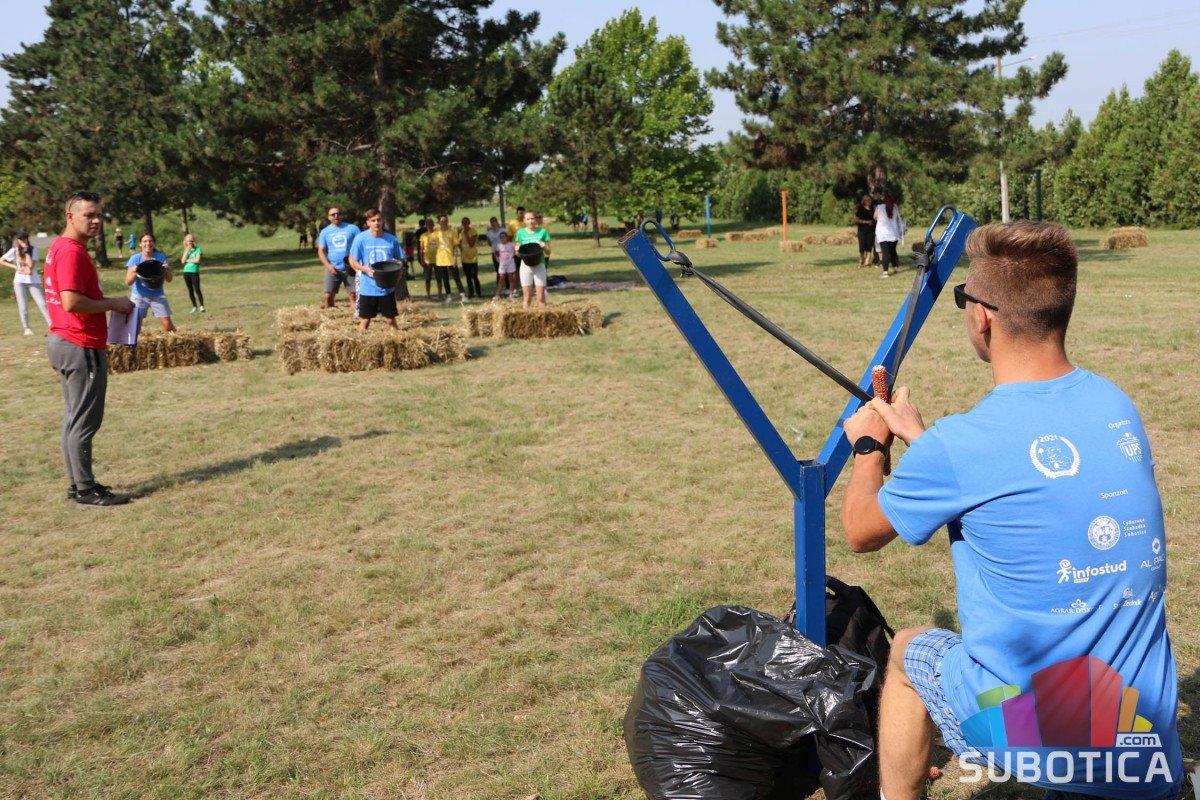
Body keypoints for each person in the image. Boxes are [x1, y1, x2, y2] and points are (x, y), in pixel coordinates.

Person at [840, 221, 1182, 800]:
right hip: (1143, 738)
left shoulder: (963, 445)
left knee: (906, 656)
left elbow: (860, 531)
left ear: (983, 317)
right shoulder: (1115, 405)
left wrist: (871, 446)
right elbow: (1023, 480)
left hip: (1048, 733)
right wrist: (925, 443)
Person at [44, 192, 135, 507]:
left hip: (62, 341)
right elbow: (71, 301)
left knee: (73, 418)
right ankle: (85, 490)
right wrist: (114, 304)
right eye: (89, 215)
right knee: (84, 421)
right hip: (79, 343)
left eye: (99, 215)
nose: (96, 221)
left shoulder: (61, 246)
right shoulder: (71, 252)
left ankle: (78, 485)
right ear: (70, 216)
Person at [347, 208, 404, 331]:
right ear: (368, 223)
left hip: (386, 288)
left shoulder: (391, 239)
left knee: (391, 320)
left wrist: (395, 270)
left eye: (378, 220)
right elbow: (353, 261)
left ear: (382, 221)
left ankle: (397, 339)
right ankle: (360, 340)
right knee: (365, 321)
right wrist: (364, 269)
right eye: (373, 220)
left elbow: (400, 260)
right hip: (367, 287)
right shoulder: (360, 239)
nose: (376, 223)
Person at [2, 232, 51, 335]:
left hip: (33, 281)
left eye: (24, 239)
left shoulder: (34, 250)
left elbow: (30, 266)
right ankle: (26, 328)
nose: (22, 241)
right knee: (23, 306)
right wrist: (15, 267)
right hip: (19, 281)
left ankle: (51, 325)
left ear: (27, 239)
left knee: (42, 303)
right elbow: (2, 260)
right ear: (18, 240)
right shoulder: (14, 250)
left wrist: (26, 251)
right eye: (20, 239)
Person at [125, 232, 176, 332]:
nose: (148, 243)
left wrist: (168, 270)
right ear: (140, 244)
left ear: (154, 243)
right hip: (139, 296)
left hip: (157, 295)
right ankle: (133, 343)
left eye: (150, 241)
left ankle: (177, 341)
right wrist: (134, 271)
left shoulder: (160, 257)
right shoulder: (135, 259)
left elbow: (169, 279)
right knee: (135, 328)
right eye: (145, 241)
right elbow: (128, 282)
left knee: (168, 327)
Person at [317, 207, 360, 310]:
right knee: (328, 296)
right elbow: (321, 250)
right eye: (333, 214)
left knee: (353, 295)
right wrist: (328, 266)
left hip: (350, 266)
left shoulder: (353, 228)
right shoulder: (325, 232)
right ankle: (329, 313)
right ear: (329, 217)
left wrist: (356, 263)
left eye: (338, 214)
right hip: (333, 267)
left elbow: (360, 245)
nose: (336, 216)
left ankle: (356, 314)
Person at [515, 210, 551, 309]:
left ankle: (543, 317)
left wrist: (545, 247)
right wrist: (517, 251)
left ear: (536, 220)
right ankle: (525, 317)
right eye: (528, 219)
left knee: (541, 298)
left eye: (532, 219)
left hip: (539, 265)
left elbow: (548, 252)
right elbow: (518, 253)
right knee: (527, 298)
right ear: (524, 220)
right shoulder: (520, 233)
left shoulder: (543, 232)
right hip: (526, 267)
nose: (530, 221)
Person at [433, 215, 466, 305]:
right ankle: (449, 296)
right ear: (439, 222)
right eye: (441, 221)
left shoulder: (452, 232)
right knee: (445, 279)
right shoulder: (436, 233)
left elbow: (455, 247)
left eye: (445, 221)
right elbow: (430, 242)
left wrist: (455, 259)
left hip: (450, 259)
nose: (443, 222)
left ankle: (463, 296)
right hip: (440, 260)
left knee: (456, 278)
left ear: (447, 222)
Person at [874, 191, 901, 278]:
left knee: (885, 252)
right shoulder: (895, 207)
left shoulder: (879, 207)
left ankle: (885, 272)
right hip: (894, 233)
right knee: (893, 251)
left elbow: (874, 217)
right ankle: (895, 267)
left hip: (883, 233)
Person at [180, 233, 205, 313]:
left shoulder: (198, 249)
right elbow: (182, 261)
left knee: (197, 289)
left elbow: (197, 260)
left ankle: (202, 306)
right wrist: (187, 251)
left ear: (193, 241)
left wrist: (187, 260)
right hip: (186, 272)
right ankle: (194, 307)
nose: (190, 242)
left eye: (191, 240)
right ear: (185, 242)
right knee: (190, 290)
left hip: (194, 272)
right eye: (188, 241)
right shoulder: (185, 250)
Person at [458, 216, 482, 300]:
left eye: (466, 222)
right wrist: (461, 249)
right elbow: (459, 242)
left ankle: (478, 293)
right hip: (464, 258)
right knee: (468, 277)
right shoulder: (461, 233)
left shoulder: (473, 232)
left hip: (473, 258)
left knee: (474, 276)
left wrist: (466, 234)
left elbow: (471, 244)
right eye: (463, 223)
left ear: (469, 223)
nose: (464, 224)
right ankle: (471, 293)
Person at [419, 218, 441, 300]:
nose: (430, 226)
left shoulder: (438, 234)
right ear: (426, 225)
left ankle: (440, 294)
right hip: (427, 260)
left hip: (438, 260)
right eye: (428, 224)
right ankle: (428, 295)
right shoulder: (423, 236)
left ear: (433, 225)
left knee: (439, 278)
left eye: (431, 224)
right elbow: (421, 249)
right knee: (427, 279)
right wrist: (422, 259)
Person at [494, 231, 517, 300]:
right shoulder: (499, 245)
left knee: (510, 278)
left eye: (504, 237)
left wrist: (514, 254)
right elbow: (495, 252)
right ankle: (498, 294)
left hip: (510, 263)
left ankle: (511, 294)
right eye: (501, 237)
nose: (502, 238)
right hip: (502, 264)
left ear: (507, 237)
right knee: (501, 278)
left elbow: (516, 250)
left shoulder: (511, 244)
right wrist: (497, 258)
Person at [854, 195, 876, 269]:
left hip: (871, 230)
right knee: (862, 246)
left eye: (870, 200)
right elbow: (856, 220)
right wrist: (866, 222)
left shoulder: (873, 208)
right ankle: (861, 261)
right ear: (864, 201)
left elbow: (875, 218)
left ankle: (867, 262)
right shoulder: (860, 208)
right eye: (868, 200)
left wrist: (873, 222)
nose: (869, 201)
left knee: (869, 246)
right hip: (862, 230)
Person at [484, 216, 503, 282]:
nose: (493, 223)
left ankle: (507, 285)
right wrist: (488, 239)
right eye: (491, 222)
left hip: (503, 252)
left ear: (497, 222)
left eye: (494, 221)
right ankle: (499, 284)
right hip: (495, 253)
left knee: (505, 269)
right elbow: (489, 244)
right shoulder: (489, 233)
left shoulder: (503, 230)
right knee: (498, 270)